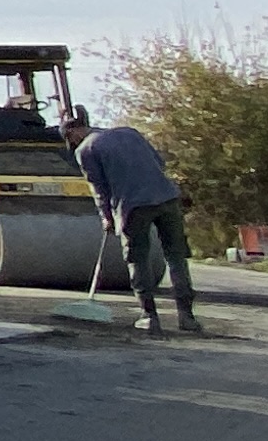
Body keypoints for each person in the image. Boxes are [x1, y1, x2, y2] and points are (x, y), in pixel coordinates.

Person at [63, 107, 201, 337]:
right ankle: (187, 317)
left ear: (73, 134)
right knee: (176, 258)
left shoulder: (86, 150)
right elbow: (159, 162)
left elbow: (99, 190)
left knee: (137, 259)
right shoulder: (130, 132)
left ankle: (149, 317)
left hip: (133, 207)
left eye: (70, 140)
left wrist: (106, 217)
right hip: (167, 198)